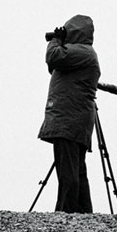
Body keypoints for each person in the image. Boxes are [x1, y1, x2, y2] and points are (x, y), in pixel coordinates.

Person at [37, 14, 101, 213]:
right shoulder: (81, 53)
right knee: (76, 169)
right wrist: (59, 41)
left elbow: (52, 57)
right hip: (74, 119)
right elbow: (54, 66)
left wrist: (56, 40)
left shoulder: (82, 51)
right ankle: (82, 213)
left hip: (68, 119)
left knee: (68, 171)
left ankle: (66, 213)